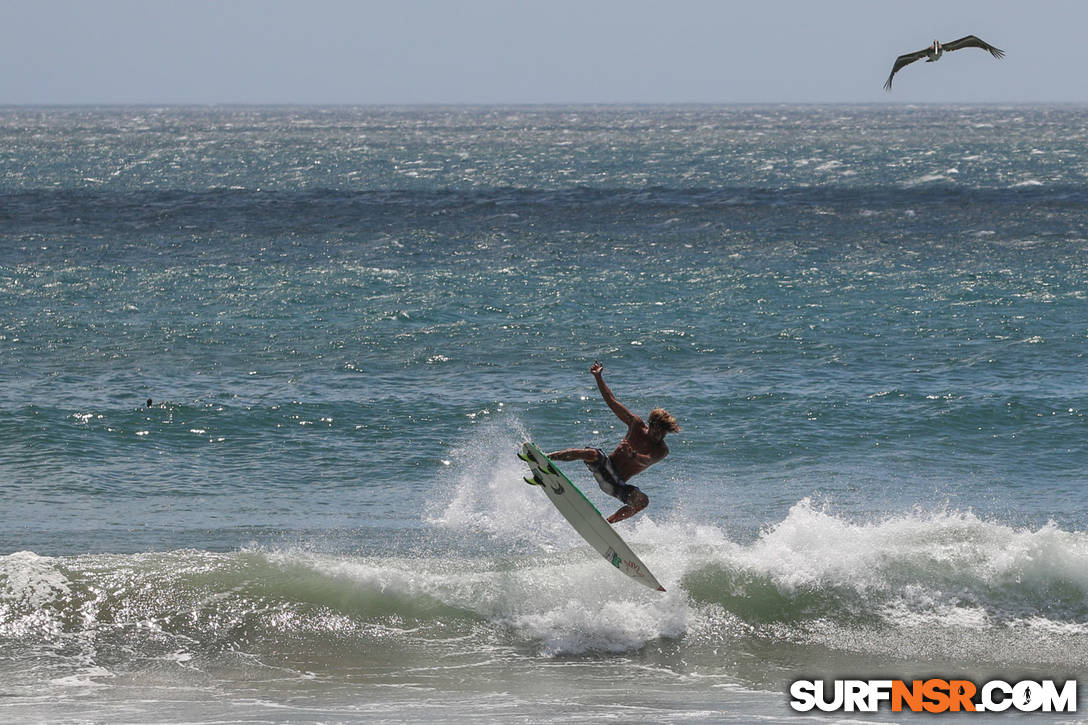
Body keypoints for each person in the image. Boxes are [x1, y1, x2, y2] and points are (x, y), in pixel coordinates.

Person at [547, 361, 680, 524]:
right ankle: (546, 457)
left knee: (643, 501)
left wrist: (633, 455)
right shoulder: (635, 424)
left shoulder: (662, 450)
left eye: (664, 432)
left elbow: (647, 460)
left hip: (617, 485)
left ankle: (606, 525)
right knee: (591, 453)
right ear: (650, 424)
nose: (660, 435)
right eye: (658, 430)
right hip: (604, 467)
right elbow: (612, 402)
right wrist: (598, 377)